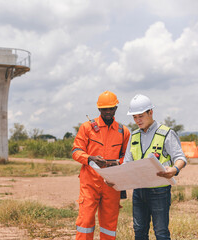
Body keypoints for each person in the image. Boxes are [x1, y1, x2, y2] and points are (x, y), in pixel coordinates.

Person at [124, 94, 187, 240]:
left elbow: (180, 158)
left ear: (150, 112)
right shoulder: (133, 136)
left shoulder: (166, 133)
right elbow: (127, 164)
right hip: (139, 191)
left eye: (140, 116)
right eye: (134, 117)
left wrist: (174, 169)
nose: (137, 120)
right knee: (139, 231)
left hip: (159, 191)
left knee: (161, 232)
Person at [72, 91, 130, 240]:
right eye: (104, 109)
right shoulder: (87, 128)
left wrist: (115, 163)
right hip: (89, 183)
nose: (108, 112)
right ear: (99, 109)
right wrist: (90, 158)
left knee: (109, 225)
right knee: (85, 222)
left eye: (111, 108)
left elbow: (127, 157)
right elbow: (76, 151)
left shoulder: (124, 132)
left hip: (111, 184)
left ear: (116, 108)